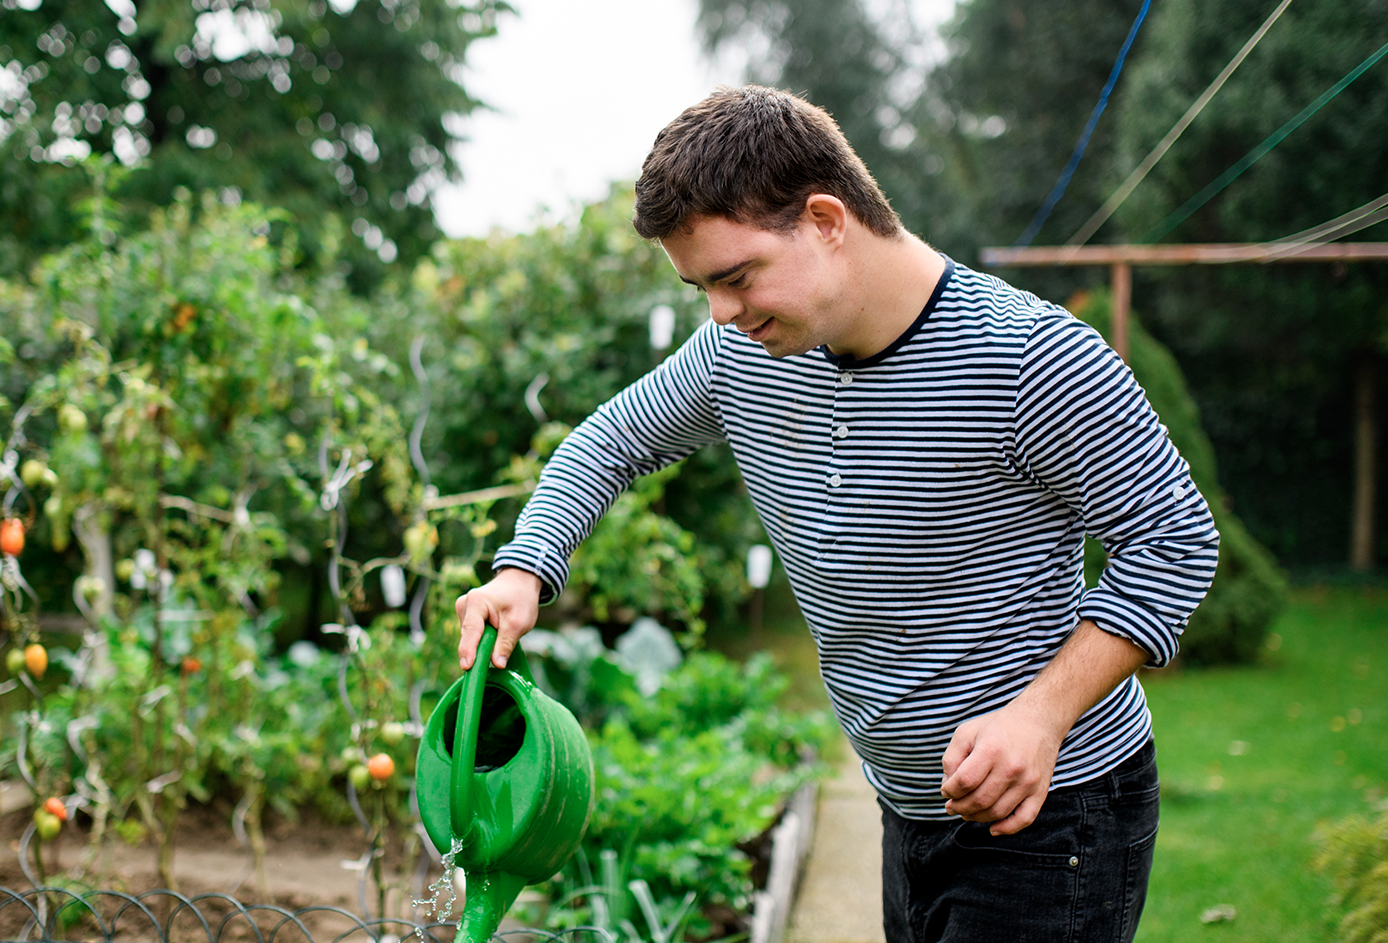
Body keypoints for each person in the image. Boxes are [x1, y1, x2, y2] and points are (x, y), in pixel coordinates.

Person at [453, 85, 1218, 942]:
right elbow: (608, 443)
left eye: (735, 278)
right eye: (701, 287)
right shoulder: (740, 356)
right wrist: (525, 567)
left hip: (1054, 812)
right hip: (908, 806)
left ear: (824, 219)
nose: (720, 313)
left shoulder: (1028, 358)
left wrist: (1040, 718)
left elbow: (1175, 538)